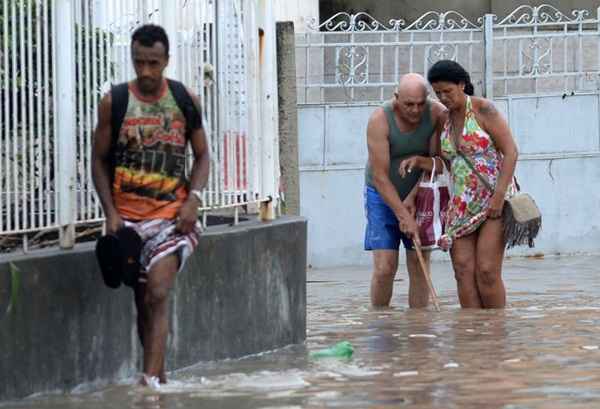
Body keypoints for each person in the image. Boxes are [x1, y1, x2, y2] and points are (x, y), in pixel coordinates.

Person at [91, 24, 210, 386]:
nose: (145, 71)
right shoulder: (115, 102)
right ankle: (160, 379)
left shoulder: (184, 99)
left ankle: (149, 384)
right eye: (139, 62)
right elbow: (98, 160)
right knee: (142, 304)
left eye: (153, 63)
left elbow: (203, 156)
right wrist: (110, 214)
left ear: (166, 61)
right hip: (127, 221)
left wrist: (194, 200)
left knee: (158, 292)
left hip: (172, 220)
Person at [406, 60, 518, 309]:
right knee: (462, 270)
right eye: (438, 93)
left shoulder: (483, 110)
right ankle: (472, 337)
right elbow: (441, 162)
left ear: (462, 84)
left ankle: (496, 334)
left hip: (493, 199)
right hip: (461, 205)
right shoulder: (442, 120)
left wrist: (499, 198)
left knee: (487, 271)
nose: (443, 97)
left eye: (448, 91)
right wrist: (415, 180)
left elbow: (511, 152)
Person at [364, 73, 447, 308]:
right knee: (385, 267)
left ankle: (418, 331)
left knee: (418, 262)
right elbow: (380, 177)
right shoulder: (379, 120)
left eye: (421, 104)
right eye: (409, 104)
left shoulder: (436, 114)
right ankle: (381, 325)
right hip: (381, 195)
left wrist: (412, 198)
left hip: (421, 193)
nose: (415, 110)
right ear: (396, 98)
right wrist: (402, 214)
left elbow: (439, 163)